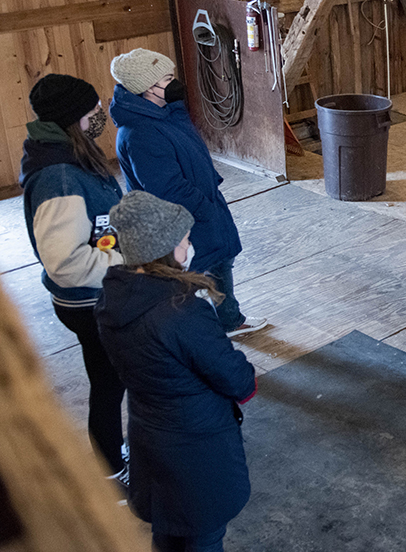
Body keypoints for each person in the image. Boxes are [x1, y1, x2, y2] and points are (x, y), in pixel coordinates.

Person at [96, 190, 256, 552]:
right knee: (204, 536)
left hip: (150, 436)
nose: (190, 247)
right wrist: (247, 378)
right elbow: (233, 376)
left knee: (168, 531)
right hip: (196, 446)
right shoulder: (182, 311)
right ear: (163, 248)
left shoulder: (112, 300)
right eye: (184, 241)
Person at [108, 48, 266, 337]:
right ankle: (201, 336)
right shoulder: (141, 133)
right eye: (167, 78)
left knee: (220, 260)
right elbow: (168, 188)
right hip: (182, 219)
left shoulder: (166, 113)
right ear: (147, 88)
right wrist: (205, 209)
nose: (175, 83)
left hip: (203, 205)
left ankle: (229, 320)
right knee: (191, 277)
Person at [19, 74, 128, 488]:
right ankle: (111, 474)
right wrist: (129, 259)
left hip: (96, 294)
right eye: (93, 111)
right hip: (88, 301)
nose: (100, 115)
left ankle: (111, 454)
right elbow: (64, 262)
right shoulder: (59, 178)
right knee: (107, 383)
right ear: (73, 118)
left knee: (108, 379)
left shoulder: (67, 153)